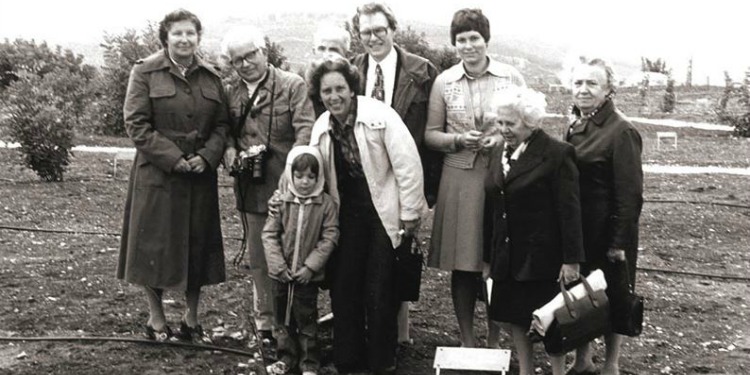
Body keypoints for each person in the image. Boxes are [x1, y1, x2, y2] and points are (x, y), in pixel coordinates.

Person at [308, 55, 426, 375]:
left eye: (340, 88)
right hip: (345, 213)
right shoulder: (321, 127)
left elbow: (407, 164)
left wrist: (411, 211)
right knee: (344, 284)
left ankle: (382, 360)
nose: (334, 96)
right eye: (327, 91)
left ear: (352, 87)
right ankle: (348, 357)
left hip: (381, 208)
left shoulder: (379, 115)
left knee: (380, 285)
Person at [117, 8, 227, 343]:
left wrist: (207, 157)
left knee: (197, 247)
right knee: (154, 247)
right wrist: (175, 158)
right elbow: (136, 123)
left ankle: (191, 320)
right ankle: (157, 320)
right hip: (159, 178)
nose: (184, 39)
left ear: (198, 37)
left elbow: (222, 126)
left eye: (190, 33)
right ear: (165, 37)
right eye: (177, 33)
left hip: (198, 178)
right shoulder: (145, 72)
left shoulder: (212, 77)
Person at [424, 8, 526, 348]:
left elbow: (528, 127)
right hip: (459, 179)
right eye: (462, 40)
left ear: (486, 40)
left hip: (502, 176)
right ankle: (468, 341)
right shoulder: (444, 82)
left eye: (474, 39)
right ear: (454, 44)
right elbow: (430, 135)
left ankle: (495, 340)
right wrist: (457, 140)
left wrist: (501, 139)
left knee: (498, 260)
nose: (468, 46)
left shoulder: (510, 77)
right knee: (464, 264)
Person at [350, 1, 440, 345]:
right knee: (364, 255)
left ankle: (398, 334)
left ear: (392, 30)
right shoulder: (351, 70)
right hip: (362, 180)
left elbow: (432, 132)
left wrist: (425, 193)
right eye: (365, 32)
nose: (373, 38)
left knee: (398, 251)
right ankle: (368, 331)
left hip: (404, 176)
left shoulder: (421, 71)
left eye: (379, 30)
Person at [221, 26, 315, 344]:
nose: (246, 63)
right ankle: (267, 325)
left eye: (251, 54)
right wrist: (230, 151)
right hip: (251, 188)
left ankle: (298, 325)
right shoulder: (230, 92)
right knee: (260, 258)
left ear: (264, 52)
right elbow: (225, 132)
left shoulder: (292, 85)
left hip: (291, 188)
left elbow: (306, 131)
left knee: (296, 258)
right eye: (238, 60)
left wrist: (294, 175)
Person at [482, 87, 584, 375]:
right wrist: (487, 257)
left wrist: (572, 259)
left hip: (543, 258)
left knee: (552, 323)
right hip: (507, 254)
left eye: (511, 124)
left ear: (530, 122)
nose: (504, 129)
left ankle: (557, 372)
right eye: (500, 123)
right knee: (515, 318)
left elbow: (570, 211)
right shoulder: (497, 151)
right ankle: (525, 371)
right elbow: (490, 207)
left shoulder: (557, 154)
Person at [564, 57, 643, 375]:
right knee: (583, 293)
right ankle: (583, 359)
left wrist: (619, 242)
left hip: (610, 233)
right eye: (578, 83)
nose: (583, 89)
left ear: (609, 89)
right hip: (581, 229)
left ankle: (611, 364)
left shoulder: (621, 130)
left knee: (614, 295)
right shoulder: (575, 123)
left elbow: (631, 193)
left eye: (592, 83)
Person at [262, 146, 339, 375]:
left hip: (306, 277)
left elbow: (329, 236)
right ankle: (286, 358)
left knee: (306, 321)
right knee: (282, 320)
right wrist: (277, 266)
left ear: (318, 177)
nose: (305, 182)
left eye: (310, 176)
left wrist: (310, 267)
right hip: (281, 275)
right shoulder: (281, 202)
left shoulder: (325, 204)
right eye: (299, 176)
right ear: (290, 175)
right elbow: (269, 234)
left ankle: (309, 363)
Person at [307, 23, 352, 117]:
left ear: (346, 55)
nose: (326, 55)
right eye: (321, 49)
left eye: (333, 50)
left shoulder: (352, 85)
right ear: (314, 51)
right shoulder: (303, 85)